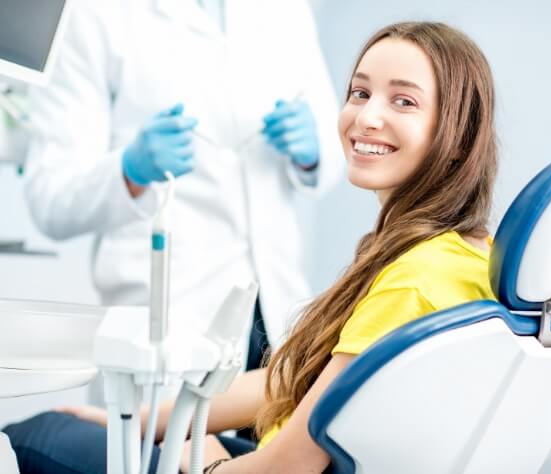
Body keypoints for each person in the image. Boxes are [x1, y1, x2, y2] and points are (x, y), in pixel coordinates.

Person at [5, 21, 498, 473]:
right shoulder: (457, 255)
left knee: (33, 438)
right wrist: (141, 420)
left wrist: (202, 460)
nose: (366, 116)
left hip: (264, 413)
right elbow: (292, 381)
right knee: (76, 429)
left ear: (458, 133)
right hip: (189, 315)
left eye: (403, 101)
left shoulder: (413, 279)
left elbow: (289, 464)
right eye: (359, 92)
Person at [23, 0, 343, 370]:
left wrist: (313, 151)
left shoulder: (286, 10)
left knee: (275, 419)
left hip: (277, 310)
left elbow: (334, 153)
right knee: (165, 426)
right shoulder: (93, 13)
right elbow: (51, 197)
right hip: (168, 316)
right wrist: (130, 171)